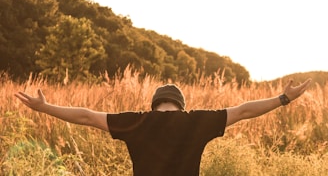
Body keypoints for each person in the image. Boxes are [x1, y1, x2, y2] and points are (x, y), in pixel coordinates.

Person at [15, 78, 312, 176]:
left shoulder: (137, 122)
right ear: (180, 105)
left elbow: (87, 116)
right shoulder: (196, 122)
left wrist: (45, 107)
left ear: (154, 104)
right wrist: (284, 98)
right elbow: (245, 110)